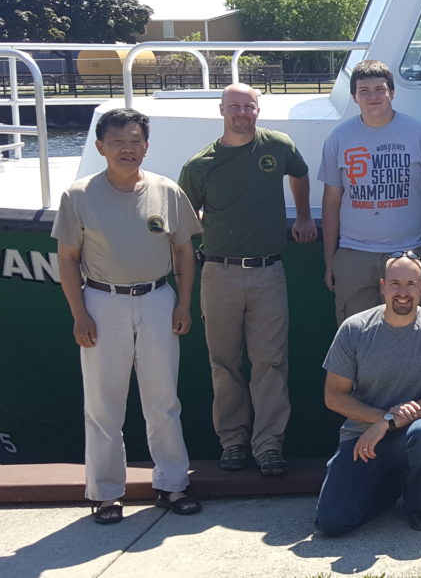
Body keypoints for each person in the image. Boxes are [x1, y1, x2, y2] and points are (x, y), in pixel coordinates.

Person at [53, 107, 202, 525]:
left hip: (157, 299)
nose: (127, 149)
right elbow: (67, 259)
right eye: (118, 141)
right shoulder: (78, 195)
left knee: (163, 401)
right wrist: (79, 313)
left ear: (147, 146)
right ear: (100, 147)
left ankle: (173, 485)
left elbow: (184, 250)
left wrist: (184, 303)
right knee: (103, 405)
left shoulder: (166, 190)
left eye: (135, 141)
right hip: (102, 303)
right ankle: (105, 494)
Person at [178, 83, 316, 477]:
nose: (242, 113)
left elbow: (301, 173)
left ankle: (269, 445)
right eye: (234, 106)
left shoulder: (277, 145)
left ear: (258, 109)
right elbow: (186, 220)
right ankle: (233, 443)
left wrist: (304, 215)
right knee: (224, 364)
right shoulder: (199, 165)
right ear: (222, 110)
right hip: (218, 274)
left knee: (270, 363)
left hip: (268, 272)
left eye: (249, 106)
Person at [314, 252, 421, 535]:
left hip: (410, 435)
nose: (402, 292)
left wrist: (387, 423)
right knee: (331, 523)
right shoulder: (354, 329)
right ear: (382, 286)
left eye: (410, 284)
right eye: (395, 284)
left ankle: (420, 504)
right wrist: (380, 419)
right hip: (362, 438)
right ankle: (392, 487)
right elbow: (334, 397)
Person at [320, 60, 421, 324]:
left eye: (379, 89)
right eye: (364, 90)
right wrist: (329, 260)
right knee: (356, 336)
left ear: (392, 92)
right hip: (354, 255)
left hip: (409, 252)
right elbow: (331, 201)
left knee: (413, 335)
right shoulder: (339, 137)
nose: (373, 96)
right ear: (354, 96)